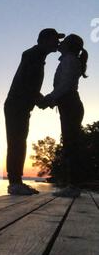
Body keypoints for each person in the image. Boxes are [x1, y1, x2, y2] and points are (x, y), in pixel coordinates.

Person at [5, 28, 65, 195]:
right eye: (55, 39)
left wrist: (41, 100)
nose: (58, 42)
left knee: (18, 142)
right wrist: (43, 101)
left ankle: (16, 181)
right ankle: (15, 183)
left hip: (21, 105)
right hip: (17, 104)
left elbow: (30, 85)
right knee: (16, 142)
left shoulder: (38, 56)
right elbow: (28, 85)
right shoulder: (33, 55)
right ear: (45, 40)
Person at [39, 34, 88, 198]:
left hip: (70, 104)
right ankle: (72, 184)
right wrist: (52, 100)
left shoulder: (69, 60)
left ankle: (73, 186)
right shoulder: (69, 59)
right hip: (69, 104)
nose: (60, 42)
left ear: (69, 45)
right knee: (69, 144)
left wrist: (48, 99)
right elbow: (64, 87)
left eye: (64, 41)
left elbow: (65, 85)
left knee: (71, 145)